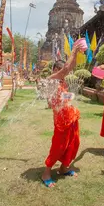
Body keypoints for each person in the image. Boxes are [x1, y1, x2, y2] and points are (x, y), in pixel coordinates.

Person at [41, 44, 81, 188]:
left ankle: (64, 167)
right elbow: (66, 69)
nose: (66, 72)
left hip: (71, 116)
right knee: (58, 146)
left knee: (73, 143)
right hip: (61, 120)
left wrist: (76, 55)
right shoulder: (51, 78)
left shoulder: (62, 81)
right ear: (56, 70)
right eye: (62, 69)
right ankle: (46, 172)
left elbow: (63, 95)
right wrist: (74, 50)